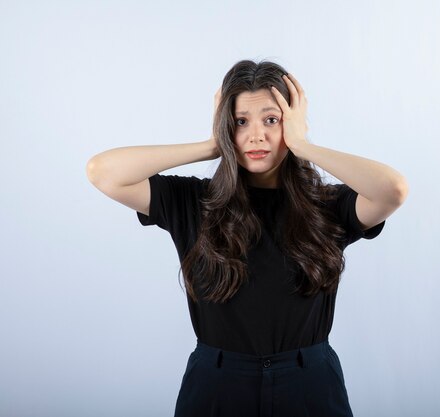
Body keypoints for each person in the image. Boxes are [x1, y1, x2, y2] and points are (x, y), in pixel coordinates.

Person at [86, 59, 408, 417]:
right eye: (240, 122)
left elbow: (392, 190)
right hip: (217, 384)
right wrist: (212, 144)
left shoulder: (328, 206)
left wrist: (303, 144)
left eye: (272, 120)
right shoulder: (194, 201)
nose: (257, 136)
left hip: (310, 384)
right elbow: (103, 172)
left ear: (291, 122)